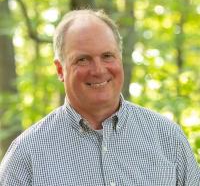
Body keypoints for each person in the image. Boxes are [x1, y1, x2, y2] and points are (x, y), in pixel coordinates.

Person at [0, 9, 199, 186]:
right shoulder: (26, 155)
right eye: (83, 59)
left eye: (107, 56)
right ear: (60, 70)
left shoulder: (168, 139)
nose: (98, 70)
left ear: (120, 59)